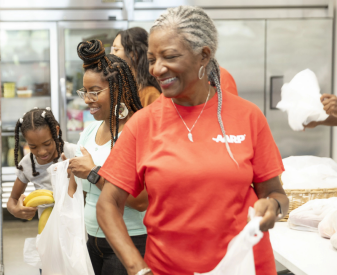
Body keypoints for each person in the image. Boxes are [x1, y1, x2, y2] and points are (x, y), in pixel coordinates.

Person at [96, 6, 289, 275]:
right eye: (152, 59)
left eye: (170, 56)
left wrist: (274, 207)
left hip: (245, 266)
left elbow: (275, 192)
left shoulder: (248, 116)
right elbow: (108, 204)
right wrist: (136, 267)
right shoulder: (144, 123)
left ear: (204, 55)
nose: (157, 69)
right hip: (168, 269)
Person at [65, 39, 148, 275]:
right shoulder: (91, 130)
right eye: (85, 91)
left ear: (119, 90)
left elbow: (141, 200)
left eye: (95, 92)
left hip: (129, 241)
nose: (87, 99)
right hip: (90, 240)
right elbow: (78, 188)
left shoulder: (137, 131)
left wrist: (93, 173)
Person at [7, 108, 77, 220]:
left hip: (76, 223)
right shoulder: (27, 164)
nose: (42, 152)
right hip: (47, 227)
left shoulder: (73, 153)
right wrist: (16, 211)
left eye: (47, 144)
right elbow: (12, 199)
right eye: (33, 147)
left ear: (56, 131)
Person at [111, 27, 161, 107]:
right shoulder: (122, 91)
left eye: (116, 50)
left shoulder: (150, 95)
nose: (111, 54)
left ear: (134, 54)